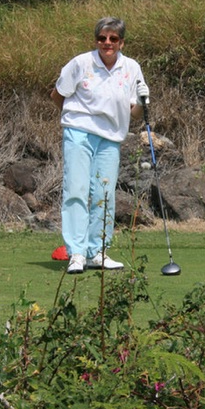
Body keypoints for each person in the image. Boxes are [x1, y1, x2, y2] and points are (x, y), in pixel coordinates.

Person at [50, 17, 150, 274]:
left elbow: (135, 113)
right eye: (102, 38)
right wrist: (77, 117)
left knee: (104, 195)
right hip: (79, 132)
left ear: (121, 42)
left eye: (113, 39)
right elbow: (57, 95)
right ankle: (77, 253)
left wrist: (142, 100)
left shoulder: (131, 67)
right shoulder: (81, 63)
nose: (107, 43)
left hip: (111, 137)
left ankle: (98, 252)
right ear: (96, 40)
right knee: (76, 189)